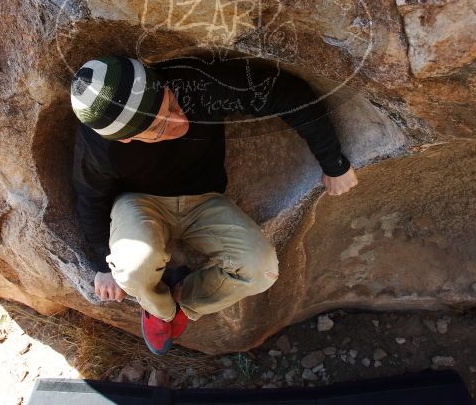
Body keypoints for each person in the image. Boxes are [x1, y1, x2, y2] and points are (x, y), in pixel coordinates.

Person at [70, 54, 358, 355]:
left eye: (170, 103)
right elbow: (91, 198)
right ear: (127, 140)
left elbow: (286, 92)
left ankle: (183, 301)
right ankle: (161, 311)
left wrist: (333, 163)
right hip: (140, 203)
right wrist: (104, 262)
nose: (179, 121)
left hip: (204, 199)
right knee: (129, 271)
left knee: (261, 270)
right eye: (157, 129)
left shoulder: (193, 85)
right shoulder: (101, 148)